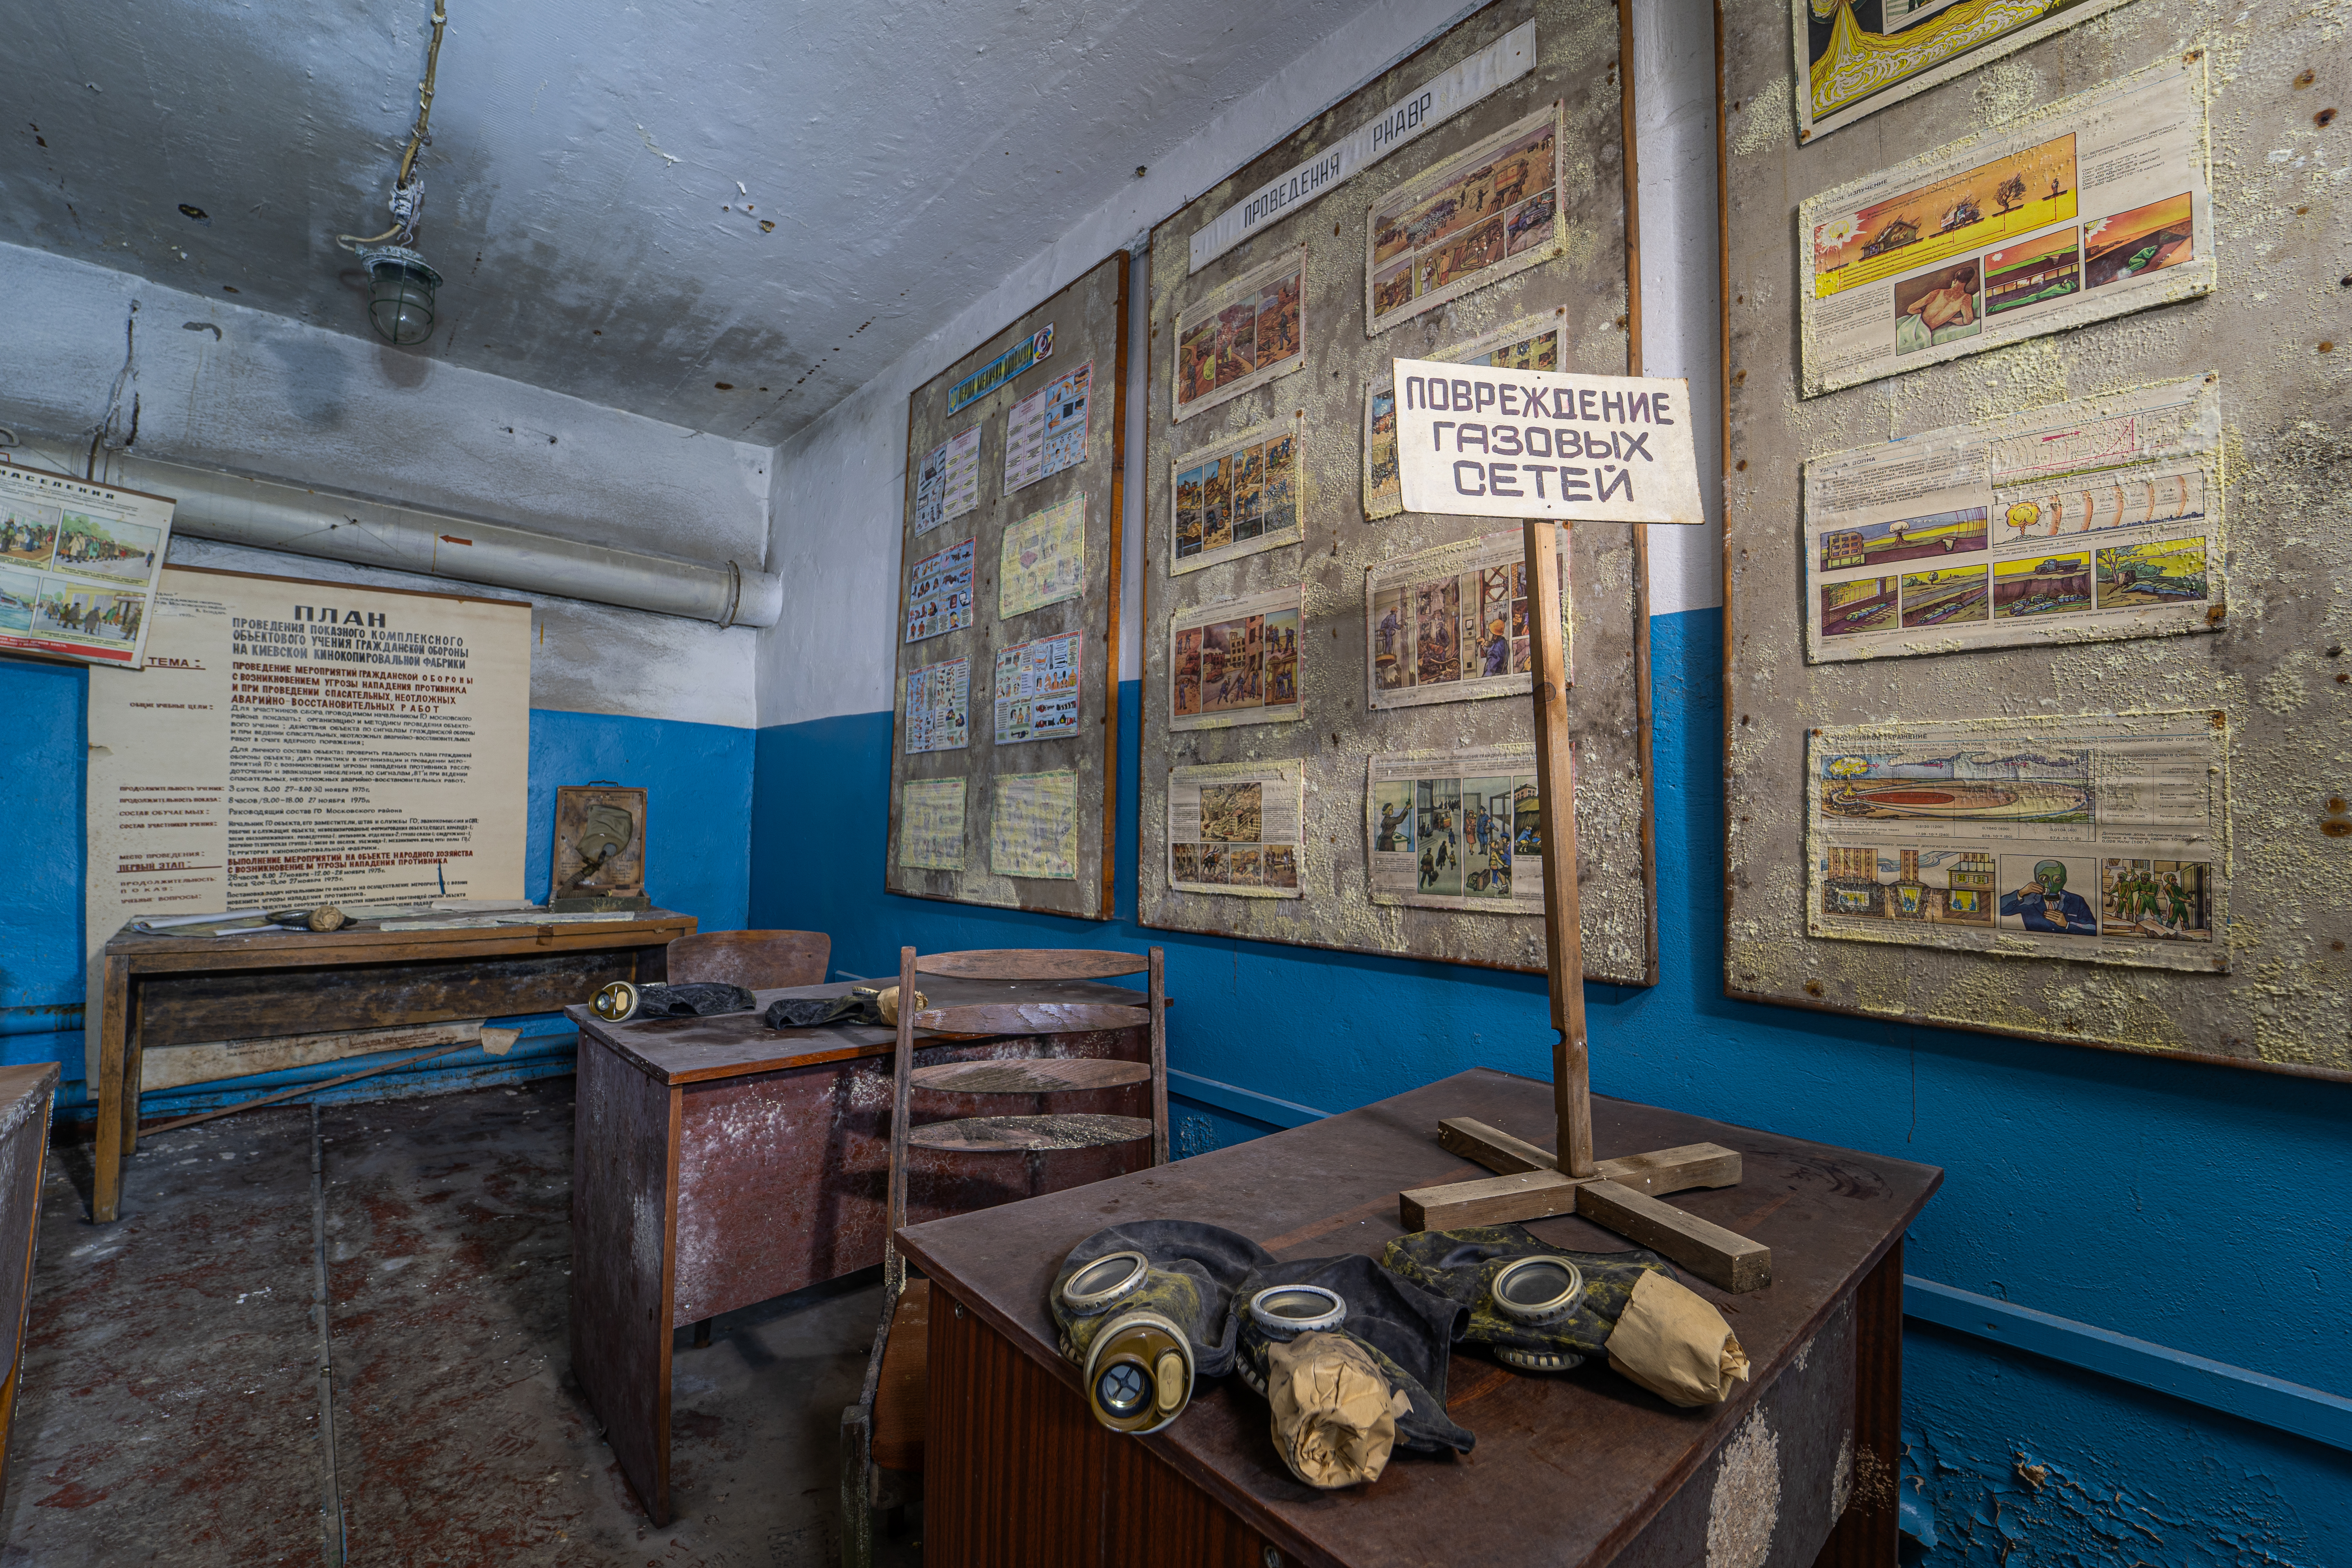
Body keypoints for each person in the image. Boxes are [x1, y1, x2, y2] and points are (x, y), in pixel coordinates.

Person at [2001, 860, 2096, 934]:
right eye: (2044, 879)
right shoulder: (2029, 899)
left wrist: (2066, 924)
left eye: (2057, 880)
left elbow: (2094, 929)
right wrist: (2021, 893)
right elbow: (1999, 911)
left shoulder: (2076, 900)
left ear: (2064, 880)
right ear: (2037, 879)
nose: (2050, 885)